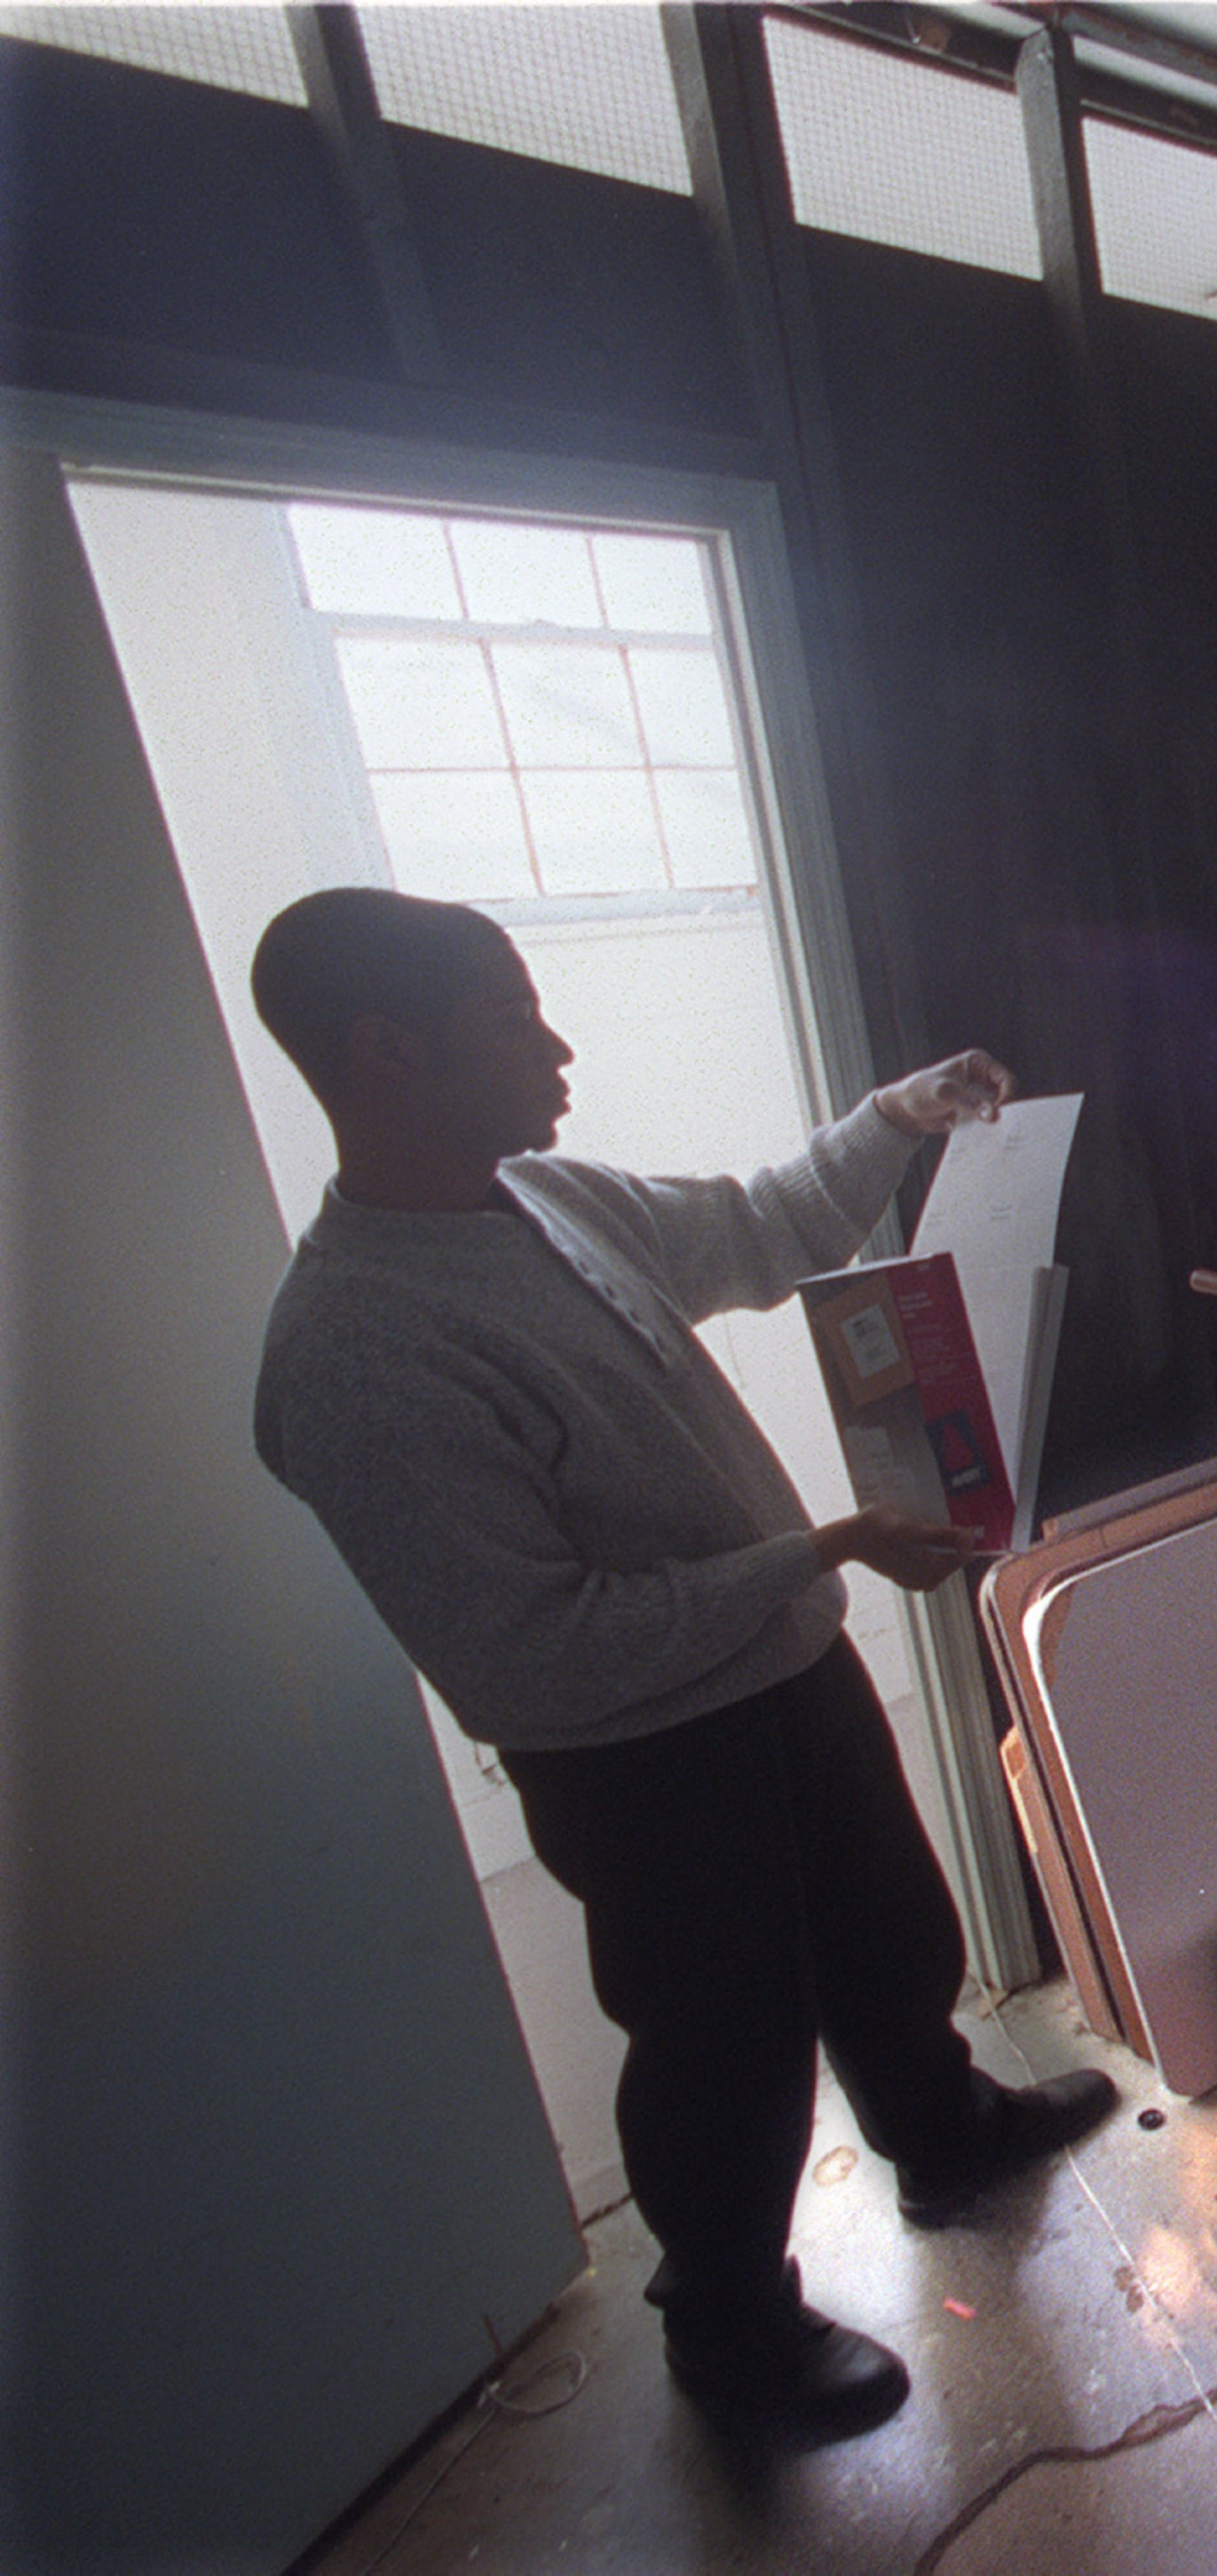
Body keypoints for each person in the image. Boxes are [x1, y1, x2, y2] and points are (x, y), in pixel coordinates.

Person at [246, 886, 1116, 2443]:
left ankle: (942, 2126)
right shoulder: (353, 1350)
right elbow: (533, 1649)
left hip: (777, 1661)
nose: (557, 1045)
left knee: (884, 1915)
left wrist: (889, 1123)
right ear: (386, 1052)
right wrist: (825, 1550)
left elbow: (749, 1232)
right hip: (638, 1754)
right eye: (514, 1019)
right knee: (721, 2036)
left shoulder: (544, 1198)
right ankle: (729, 2326)